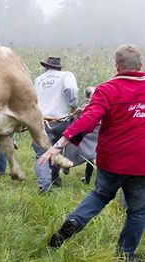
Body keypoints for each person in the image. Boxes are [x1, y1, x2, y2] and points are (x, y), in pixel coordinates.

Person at [39, 44, 145, 260]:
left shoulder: (106, 89)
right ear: (140, 65)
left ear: (116, 66)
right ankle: (126, 255)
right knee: (138, 211)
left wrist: (59, 144)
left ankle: (73, 223)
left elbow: (88, 119)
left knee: (99, 196)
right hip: (141, 163)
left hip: (111, 161)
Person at [32, 56, 78, 192]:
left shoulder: (38, 80)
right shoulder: (66, 75)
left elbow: (32, 100)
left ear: (45, 67)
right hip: (61, 121)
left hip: (41, 122)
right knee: (57, 149)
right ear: (59, 67)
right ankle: (55, 178)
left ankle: (44, 187)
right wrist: (73, 106)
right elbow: (71, 89)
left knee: (41, 154)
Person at [63, 86, 98, 184]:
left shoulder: (84, 106)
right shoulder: (96, 105)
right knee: (92, 157)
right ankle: (87, 179)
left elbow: (76, 120)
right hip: (94, 135)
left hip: (83, 134)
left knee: (70, 148)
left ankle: (67, 165)